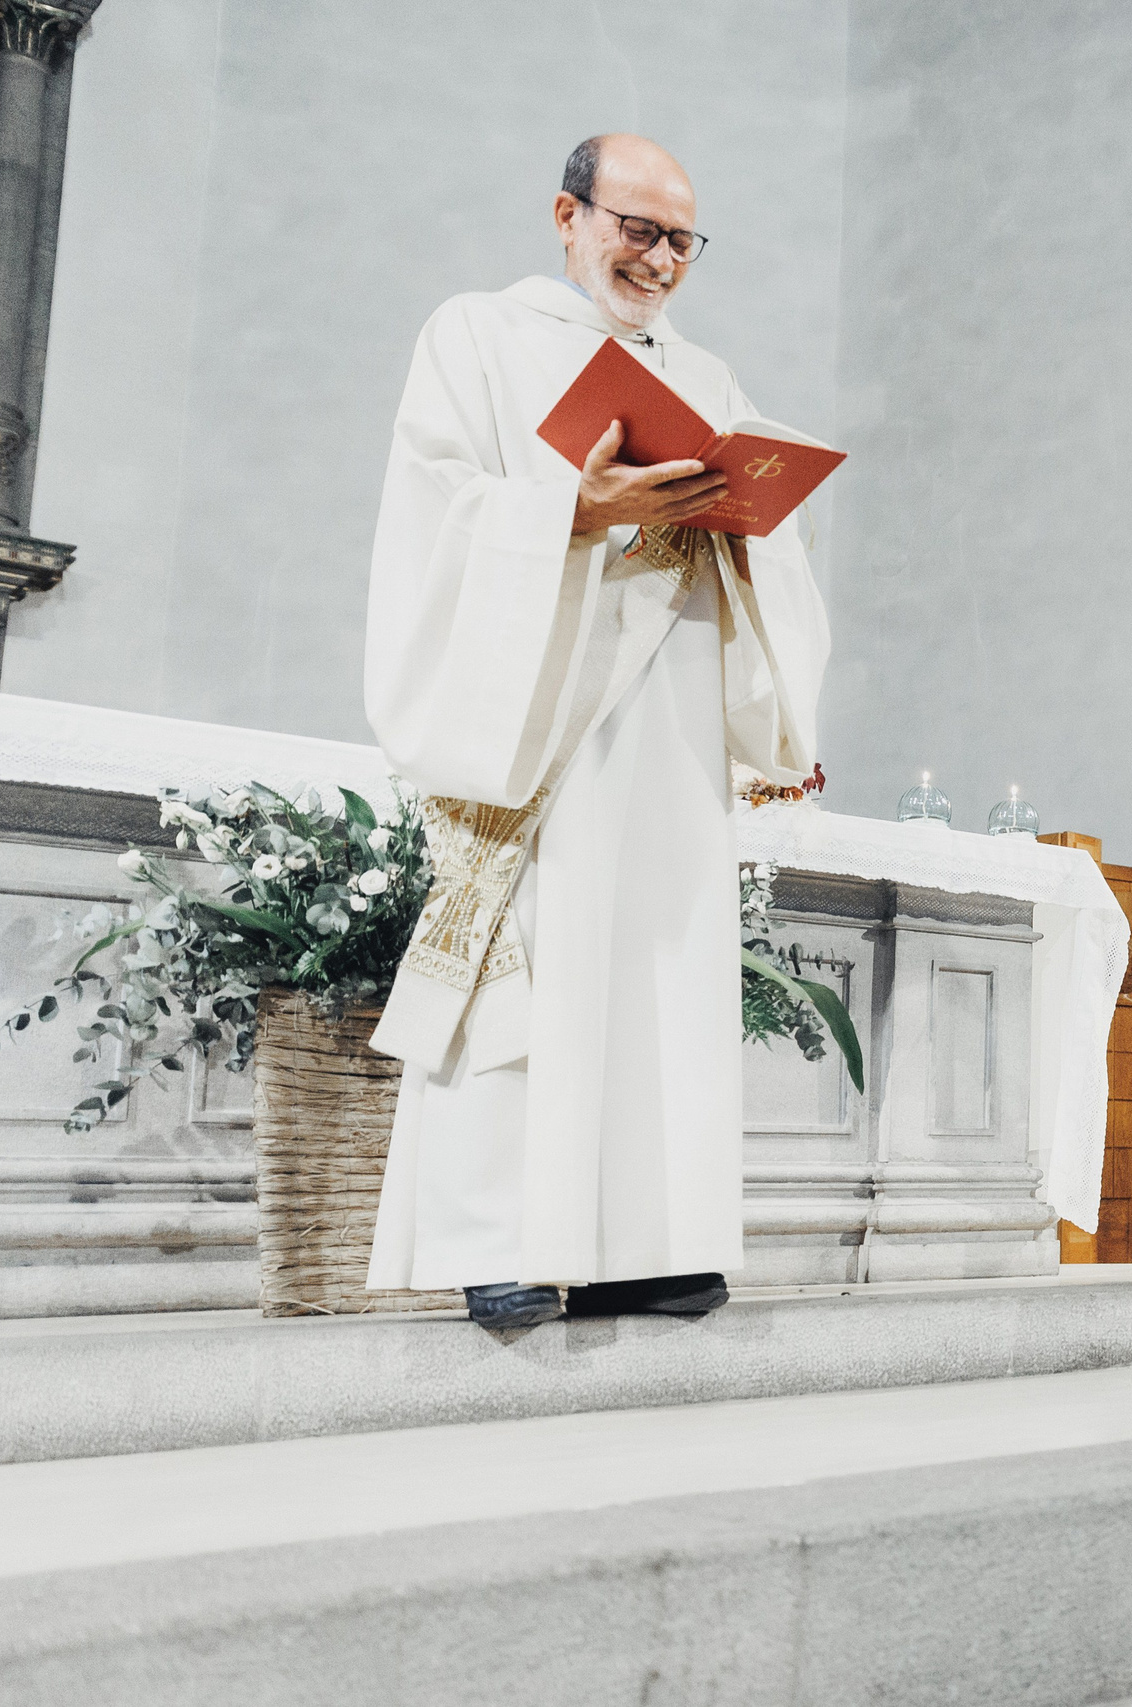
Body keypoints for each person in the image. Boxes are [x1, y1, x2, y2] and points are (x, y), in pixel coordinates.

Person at [362, 134, 830, 1331]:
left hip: (670, 723)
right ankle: (501, 1244)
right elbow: (433, 507)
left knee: (657, 971)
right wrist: (572, 509)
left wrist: (747, 525)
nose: (659, 259)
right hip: (534, 719)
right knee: (534, 956)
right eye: (637, 229)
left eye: (681, 240)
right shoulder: (477, 334)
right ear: (568, 215)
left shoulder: (710, 379)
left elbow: (774, 545)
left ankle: (644, 1245)